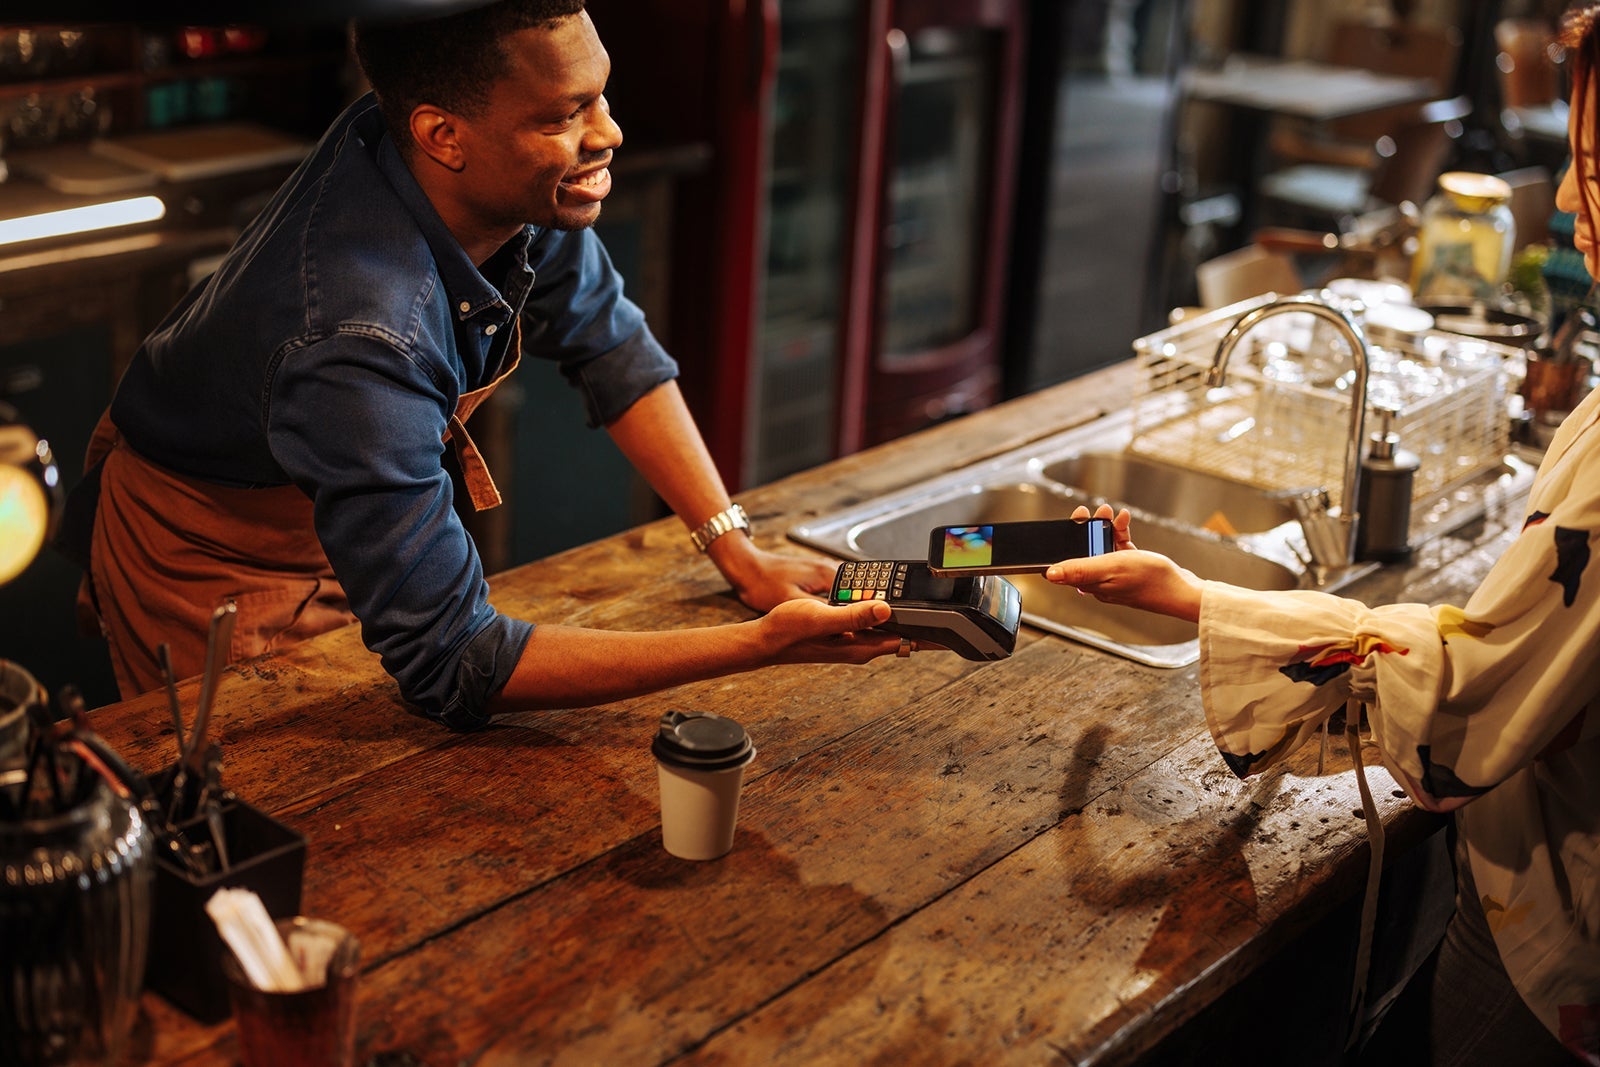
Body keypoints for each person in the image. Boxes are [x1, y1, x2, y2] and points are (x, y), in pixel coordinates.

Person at [72, 0, 905, 730]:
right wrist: (758, 647)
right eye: (565, 114)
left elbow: (608, 343)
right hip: (217, 556)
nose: (608, 131)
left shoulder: (501, 187)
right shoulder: (357, 341)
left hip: (336, 493)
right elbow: (455, 660)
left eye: (600, 94)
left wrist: (738, 554)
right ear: (444, 136)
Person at [1045, 9, 1600, 1064]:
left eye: (1599, 166)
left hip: (1559, 942)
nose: (1567, 196)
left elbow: (1465, 707)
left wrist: (1202, 601)